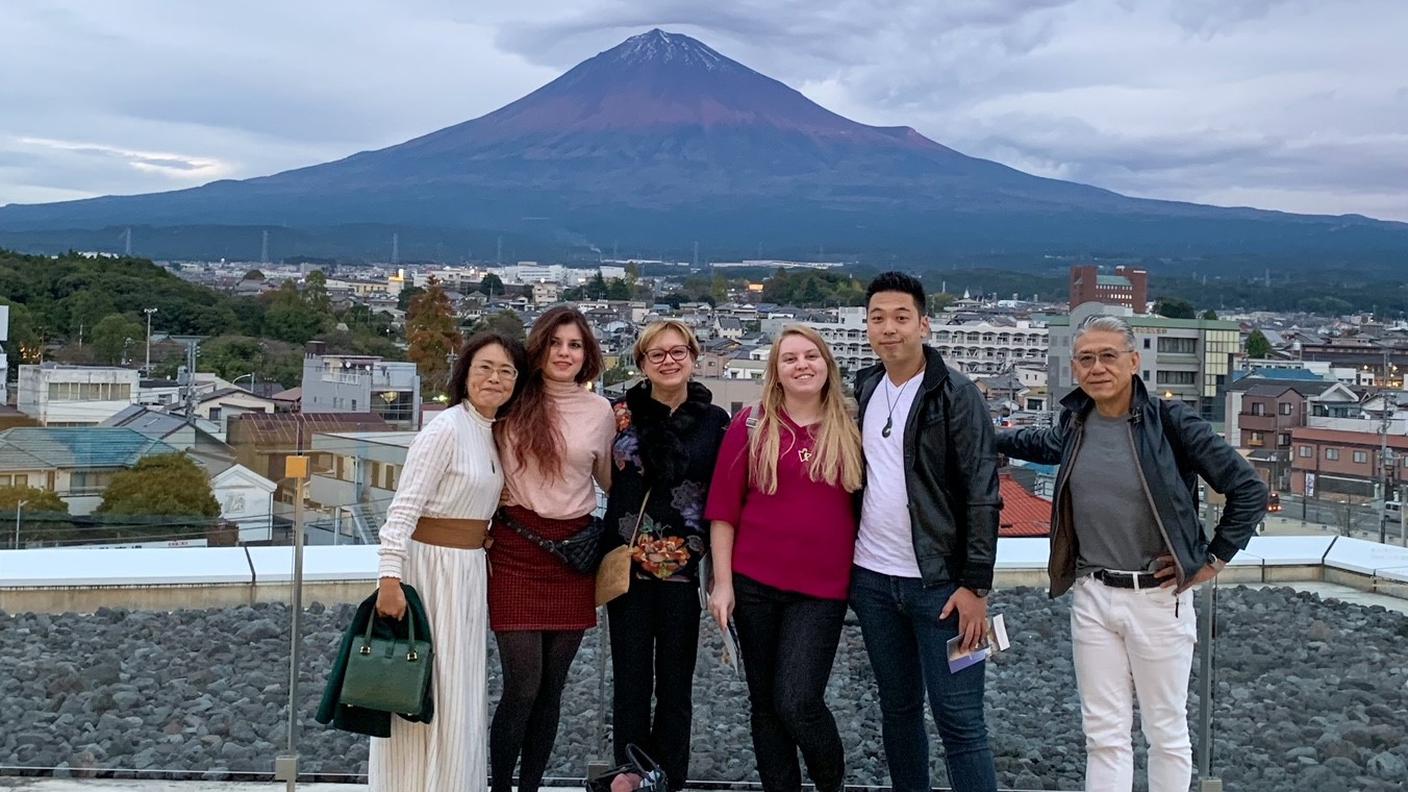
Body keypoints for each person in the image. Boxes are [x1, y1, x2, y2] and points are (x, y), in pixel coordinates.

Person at [998, 313, 1266, 792]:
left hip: (1159, 596)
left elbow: (1247, 489)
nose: (1096, 367)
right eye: (1085, 358)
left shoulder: (1171, 422)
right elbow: (1036, 443)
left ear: (1133, 361)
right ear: (1074, 367)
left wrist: (1210, 561)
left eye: (1108, 356)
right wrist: (978, 433)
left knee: (1165, 731)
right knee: (1102, 734)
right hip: (1094, 594)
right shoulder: (1076, 422)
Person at [848, 271, 1002, 792]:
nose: (888, 329)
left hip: (941, 586)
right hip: (871, 579)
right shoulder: (866, 386)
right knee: (898, 711)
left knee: (961, 722)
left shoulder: (957, 394)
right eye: (877, 318)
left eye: (900, 317)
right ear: (866, 325)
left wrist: (975, 585)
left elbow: (984, 492)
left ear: (924, 324)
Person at [704, 325, 863, 792]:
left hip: (823, 590)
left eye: (811, 356)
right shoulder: (751, 425)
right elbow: (722, 512)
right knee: (765, 705)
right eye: (789, 358)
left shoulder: (850, 425)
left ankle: (831, 781)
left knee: (797, 700)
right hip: (754, 583)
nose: (802, 365)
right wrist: (723, 583)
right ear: (775, 370)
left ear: (827, 365)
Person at [369, 331, 528, 792]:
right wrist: (389, 577)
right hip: (431, 571)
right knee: (425, 685)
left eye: (506, 371)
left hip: (468, 571)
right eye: (485, 368)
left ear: (517, 381)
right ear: (465, 373)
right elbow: (402, 510)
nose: (494, 379)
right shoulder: (444, 429)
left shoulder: (491, 431)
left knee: (458, 690)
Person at [487, 305, 616, 792]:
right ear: (539, 348)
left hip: (574, 555)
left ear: (587, 355)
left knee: (551, 691)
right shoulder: (513, 399)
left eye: (575, 345)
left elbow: (608, 480)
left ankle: (531, 786)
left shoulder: (600, 411)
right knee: (521, 687)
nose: (565, 353)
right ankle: (500, 785)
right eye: (557, 343)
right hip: (516, 547)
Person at [602, 319, 730, 791]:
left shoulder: (716, 421)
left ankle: (668, 777)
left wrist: (722, 572)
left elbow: (724, 495)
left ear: (694, 357)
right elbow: (602, 474)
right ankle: (629, 775)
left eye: (678, 352)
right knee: (630, 678)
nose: (669, 361)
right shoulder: (619, 414)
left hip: (685, 568)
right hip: (627, 564)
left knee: (676, 684)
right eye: (657, 354)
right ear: (641, 364)